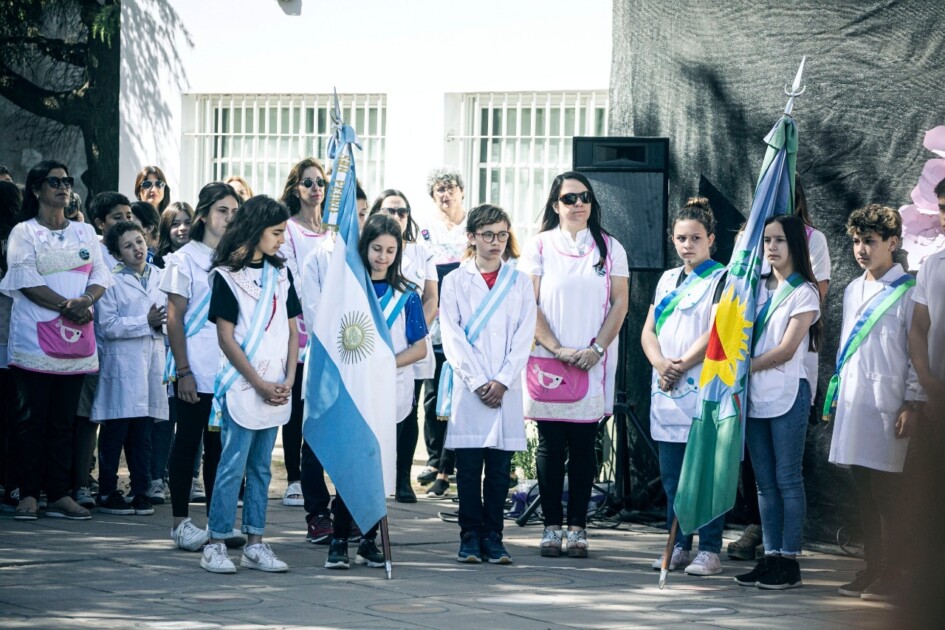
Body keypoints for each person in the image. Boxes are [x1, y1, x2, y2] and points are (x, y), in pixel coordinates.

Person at [520, 172, 630, 558]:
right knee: (550, 444)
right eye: (569, 198)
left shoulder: (610, 247)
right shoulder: (538, 246)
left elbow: (620, 302)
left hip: (592, 359)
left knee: (584, 445)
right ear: (556, 205)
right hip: (548, 358)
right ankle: (551, 527)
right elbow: (529, 303)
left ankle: (579, 528)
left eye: (584, 197)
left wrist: (596, 349)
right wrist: (557, 348)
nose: (578, 203)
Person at [1, 160, 111, 520]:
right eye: (54, 182)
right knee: (31, 421)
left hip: (75, 344)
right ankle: (29, 494)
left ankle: (60, 494)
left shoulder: (85, 232)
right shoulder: (24, 232)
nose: (63, 187)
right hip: (34, 343)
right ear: (36, 190)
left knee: (64, 422)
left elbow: (101, 274)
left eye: (67, 181)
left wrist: (86, 300)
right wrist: (69, 306)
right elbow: (26, 281)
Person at [200, 195, 300, 574]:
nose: (281, 240)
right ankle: (216, 542)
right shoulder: (227, 276)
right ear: (256, 230)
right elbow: (226, 338)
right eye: (276, 232)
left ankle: (255, 543)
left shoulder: (281, 274)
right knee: (232, 464)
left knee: (261, 467)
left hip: (277, 383)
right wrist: (258, 382)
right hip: (244, 384)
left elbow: (293, 331)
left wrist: (289, 378)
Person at [323, 214, 427, 570]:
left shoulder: (407, 295)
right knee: (351, 466)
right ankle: (339, 538)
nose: (382, 257)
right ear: (365, 247)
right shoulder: (350, 291)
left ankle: (368, 541)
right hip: (354, 391)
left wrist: (385, 363)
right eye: (377, 249)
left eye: (390, 251)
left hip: (391, 390)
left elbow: (419, 348)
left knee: (379, 469)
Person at [827, 204, 920, 601]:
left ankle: (894, 572)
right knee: (864, 490)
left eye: (870, 241)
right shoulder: (852, 289)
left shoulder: (910, 292)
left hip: (889, 403)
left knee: (888, 493)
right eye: (856, 241)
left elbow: (916, 352)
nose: (861, 249)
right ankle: (872, 566)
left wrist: (912, 402)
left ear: (892, 243)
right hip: (855, 403)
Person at [440, 204, 536, 564]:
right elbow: (451, 336)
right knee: (467, 468)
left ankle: (494, 536)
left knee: (498, 469)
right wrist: (480, 381)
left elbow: (524, 335)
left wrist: (503, 380)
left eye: (502, 235)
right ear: (471, 237)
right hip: (471, 388)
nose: (496, 242)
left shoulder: (519, 281)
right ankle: (469, 535)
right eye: (488, 235)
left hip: (505, 388)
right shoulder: (455, 281)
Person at [735, 215, 822, 590]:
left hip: (788, 391)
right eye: (767, 240)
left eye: (780, 240)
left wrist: (743, 368)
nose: (771, 247)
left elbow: (786, 350)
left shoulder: (805, 291)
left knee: (787, 478)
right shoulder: (752, 287)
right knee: (764, 482)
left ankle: (789, 560)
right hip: (755, 394)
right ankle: (770, 555)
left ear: (795, 245)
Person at [641, 197, 728, 575]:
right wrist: (661, 363)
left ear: (711, 239)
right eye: (681, 238)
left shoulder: (722, 279)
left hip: (702, 384)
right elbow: (648, 330)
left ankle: (709, 548)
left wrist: (681, 365)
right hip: (666, 385)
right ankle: (677, 544)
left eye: (695, 238)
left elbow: (716, 330)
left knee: (705, 472)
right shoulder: (666, 279)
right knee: (673, 475)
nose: (687, 245)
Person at [161, 182, 240, 551]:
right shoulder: (184, 259)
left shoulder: (238, 258)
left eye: (235, 212)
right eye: (222, 210)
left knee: (219, 449)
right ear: (204, 214)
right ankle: (180, 523)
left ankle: (217, 523)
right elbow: (174, 319)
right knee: (188, 442)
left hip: (227, 370)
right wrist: (184, 371)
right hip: (195, 367)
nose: (229, 218)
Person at [92, 222, 168, 516]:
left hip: (152, 364)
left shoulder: (160, 276)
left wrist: (159, 325)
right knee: (115, 432)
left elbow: (171, 319)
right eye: (128, 245)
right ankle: (107, 491)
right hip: (122, 365)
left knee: (143, 433)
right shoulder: (110, 281)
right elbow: (107, 326)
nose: (137, 248)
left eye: (139, 241)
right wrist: (145, 322)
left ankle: (140, 491)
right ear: (116, 254)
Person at [368, 189, 437, 503]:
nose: (397, 217)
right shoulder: (366, 257)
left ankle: (402, 477)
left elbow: (431, 298)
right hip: (371, 351)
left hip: (407, 348)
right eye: (389, 211)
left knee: (408, 413)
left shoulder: (421, 252)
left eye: (402, 211)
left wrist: (414, 329)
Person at [279, 158, 334, 511]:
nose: (315, 189)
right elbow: (293, 277)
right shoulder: (288, 229)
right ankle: (294, 478)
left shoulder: (334, 230)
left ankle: (321, 474)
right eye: (308, 182)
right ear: (296, 188)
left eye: (320, 182)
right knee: (297, 405)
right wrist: (315, 308)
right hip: (300, 325)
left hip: (333, 326)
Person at [416, 167, 471, 497]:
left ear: (461, 190)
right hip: (434, 324)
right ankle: (435, 459)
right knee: (434, 395)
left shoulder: (472, 227)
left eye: (450, 187)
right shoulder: (425, 230)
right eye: (439, 189)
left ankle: (455, 463)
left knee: (460, 395)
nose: (446, 194)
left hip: (466, 323)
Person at [147, 201, 195, 505]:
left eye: (187, 221)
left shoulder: (202, 260)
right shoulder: (157, 263)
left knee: (192, 418)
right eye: (175, 223)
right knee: (165, 418)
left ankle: (191, 476)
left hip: (194, 347)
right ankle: (157, 477)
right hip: (163, 347)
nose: (182, 228)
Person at [0, 181, 22, 503]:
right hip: (16, 336)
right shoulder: (20, 235)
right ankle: (13, 480)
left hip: (9, 334)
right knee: (13, 415)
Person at [89, 192, 134, 269]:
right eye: (118, 217)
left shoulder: (138, 250)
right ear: (100, 223)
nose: (126, 222)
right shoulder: (94, 255)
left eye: (129, 216)